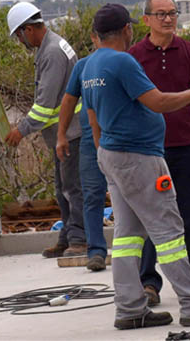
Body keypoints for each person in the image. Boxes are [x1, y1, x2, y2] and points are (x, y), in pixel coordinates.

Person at [81, 3, 190, 330]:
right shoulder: (122, 61)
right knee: (168, 231)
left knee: (127, 234)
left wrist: (102, 151)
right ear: (128, 29)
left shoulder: (90, 65)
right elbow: (157, 102)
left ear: (97, 33)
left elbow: (92, 116)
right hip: (139, 157)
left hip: (111, 154)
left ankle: (129, 307)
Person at [127, 0, 190, 307]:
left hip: (185, 147)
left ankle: (187, 280)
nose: (168, 19)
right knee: (152, 220)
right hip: (149, 152)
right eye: (160, 14)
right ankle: (149, 283)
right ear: (146, 19)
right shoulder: (134, 56)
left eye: (172, 13)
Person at [5, 1, 86, 258]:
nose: (20, 42)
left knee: (73, 189)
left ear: (27, 30)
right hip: (65, 133)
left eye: (19, 36)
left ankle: (79, 240)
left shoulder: (51, 52)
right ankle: (67, 237)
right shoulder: (53, 45)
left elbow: (45, 104)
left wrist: (21, 129)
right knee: (63, 189)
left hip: (71, 133)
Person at [56, 31, 109, 272]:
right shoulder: (84, 67)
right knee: (92, 194)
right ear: (94, 38)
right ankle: (96, 251)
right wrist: (61, 135)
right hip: (89, 140)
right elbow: (68, 101)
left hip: (121, 137)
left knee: (130, 194)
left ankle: (138, 248)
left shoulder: (125, 62)